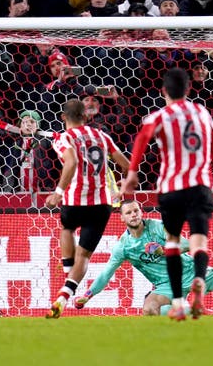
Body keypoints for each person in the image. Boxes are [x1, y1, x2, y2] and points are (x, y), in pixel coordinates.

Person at [121, 67, 213, 320]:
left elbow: (141, 141)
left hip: (171, 187)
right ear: (188, 89)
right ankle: (199, 278)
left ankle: (178, 302)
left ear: (164, 91)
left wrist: (132, 174)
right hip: (200, 185)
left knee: (173, 242)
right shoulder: (201, 112)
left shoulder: (158, 117)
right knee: (199, 240)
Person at [74, 199, 213, 315]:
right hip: (165, 284)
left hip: (192, 272)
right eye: (128, 213)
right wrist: (88, 294)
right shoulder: (123, 247)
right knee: (149, 308)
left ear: (141, 213)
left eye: (136, 211)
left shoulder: (158, 227)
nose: (134, 215)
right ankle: (194, 315)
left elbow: (189, 244)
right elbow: (105, 274)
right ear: (121, 218)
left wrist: (166, 249)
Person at [45, 99, 130, 319]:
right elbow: (126, 164)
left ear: (63, 117)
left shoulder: (65, 138)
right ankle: (64, 296)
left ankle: (66, 275)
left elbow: (71, 162)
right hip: (101, 204)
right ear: (86, 116)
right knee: (83, 256)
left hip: (75, 201)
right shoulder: (102, 136)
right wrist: (126, 184)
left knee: (67, 229)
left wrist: (58, 192)